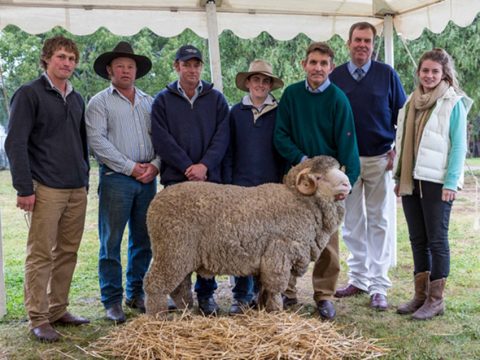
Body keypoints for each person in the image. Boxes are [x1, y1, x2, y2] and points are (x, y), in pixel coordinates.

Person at [5, 35, 90, 342]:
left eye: (71, 58)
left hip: (75, 188)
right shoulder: (29, 94)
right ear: (47, 59)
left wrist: (85, 178)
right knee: (41, 255)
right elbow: (15, 142)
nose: (67, 63)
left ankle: (57, 309)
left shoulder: (77, 98)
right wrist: (24, 188)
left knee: (67, 252)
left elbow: (82, 145)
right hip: (45, 189)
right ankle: (38, 318)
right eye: (61, 57)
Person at [274, 42, 360, 320]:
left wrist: (345, 180)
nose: (318, 68)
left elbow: (348, 144)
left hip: (327, 183)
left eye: (323, 64)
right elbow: (280, 135)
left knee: (327, 240)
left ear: (331, 67)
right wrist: (303, 161)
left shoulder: (338, 99)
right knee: (287, 237)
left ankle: (324, 295)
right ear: (304, 65)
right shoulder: (291, 95)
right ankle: (286, 291)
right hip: (297, 179)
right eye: (313, 62)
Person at [330, 22, 407, 310]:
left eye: (367, 41)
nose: (362, 45)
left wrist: (397, 150)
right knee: (351, 222)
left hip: (379, 159)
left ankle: (379, 285)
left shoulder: (387, 74)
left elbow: (403, 115)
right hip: (347, 162)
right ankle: (359, 278)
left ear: (373, 45)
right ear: (348, 43)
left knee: (379, 222)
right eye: (357, 40)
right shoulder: (336, 76)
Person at [151, 44, 229, 316]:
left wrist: (205, 165)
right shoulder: (162, 100)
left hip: (210, 183)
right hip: (177, 182)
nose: (192, 69)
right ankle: (179, 295)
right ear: (177, 66)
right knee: (178, 241)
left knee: (209, 242)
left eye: (196, 64)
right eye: (187, 64)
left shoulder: (216, 99)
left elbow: (223, 136)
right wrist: (187, 167)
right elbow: (162, 139)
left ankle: (206, 296)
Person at [394, 48, 472, 320]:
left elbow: (459, 146)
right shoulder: (410, 102)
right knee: (417, 239)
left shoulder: (453, 104)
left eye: (434, 71)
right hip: (411, 180)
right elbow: (403, 143)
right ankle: (420, 295)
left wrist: (452, 182)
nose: (429, 75)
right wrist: (398, 176)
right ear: (419, 73)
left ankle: (436, 299)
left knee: (437, 240)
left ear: (444, 74)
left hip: (438, 182)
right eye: (425, 70)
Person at [86, 41, 159, 323]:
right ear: (109, 70)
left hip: (147, 180)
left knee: (143, 240)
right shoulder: (99, 102)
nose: (126, 70)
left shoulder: (149, 102)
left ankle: (136, 292)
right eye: (120, 66)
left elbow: (161, 137)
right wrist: (131, 168)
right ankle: (112, 300)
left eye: (130, 66)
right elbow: (98, 143)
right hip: (116, 178)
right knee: (111, 241)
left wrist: (154, 166)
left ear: (136, 71)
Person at [223, 59, 285, 315]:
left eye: (265, 80)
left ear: (270, 85)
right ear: (247, 83)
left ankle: (265, 293)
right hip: (242, 188)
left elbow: (282, 150)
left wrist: (282, 184)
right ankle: (241, 295)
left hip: (270, 188)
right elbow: (228, 151)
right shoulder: (235, 112)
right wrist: (229, 185)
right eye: (256, 79)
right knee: (243, 242)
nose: (260, 84)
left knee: (268, 243)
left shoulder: (279, 112)